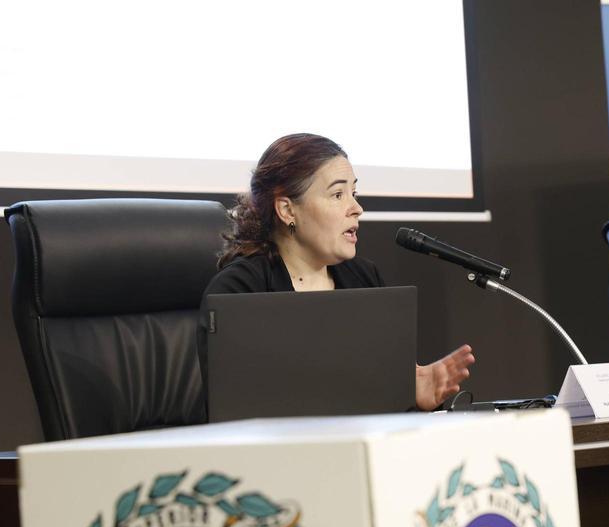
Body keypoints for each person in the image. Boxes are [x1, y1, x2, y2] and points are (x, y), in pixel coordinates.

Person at [198, 133, 474, 412]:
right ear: (286, 209)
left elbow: (381, 407)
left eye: (354, 194)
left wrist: (411, 398)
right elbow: (239, 411)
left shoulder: (363, 280)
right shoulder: (240, 291)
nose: (356, 208)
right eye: (338, 194)